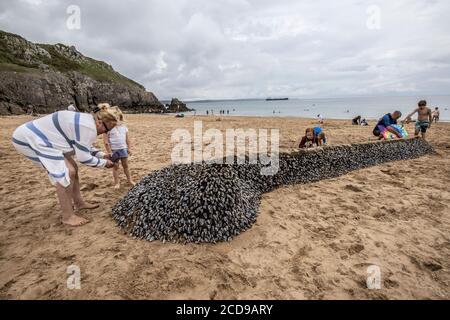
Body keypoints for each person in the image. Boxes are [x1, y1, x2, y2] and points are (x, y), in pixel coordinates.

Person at [11, 103, 118, 227]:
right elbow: (84, 158)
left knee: (73, 168)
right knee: (67, 172)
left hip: (47, 139)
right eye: (108, 129)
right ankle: (68, 216)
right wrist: (105, 164)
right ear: (100, 122)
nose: (106, 133)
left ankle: (79, 203)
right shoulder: (88, 127)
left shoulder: (87, 120)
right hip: (30, 139)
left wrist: (102, 155)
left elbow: (83, 145)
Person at [103, 107, 135, 189]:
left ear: (120, 117)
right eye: (114, 117)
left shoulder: (124, 127)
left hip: (123, 149)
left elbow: (127, 139)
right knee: (115, 167)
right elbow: (106, 142)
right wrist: (109, 152)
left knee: (126, 166)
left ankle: (130, 180)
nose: (116, 119)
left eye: (117, 117)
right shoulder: (108, 128)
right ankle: (117, 183)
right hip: (114, 150)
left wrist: (129, 148)